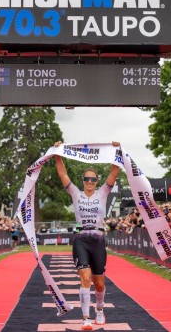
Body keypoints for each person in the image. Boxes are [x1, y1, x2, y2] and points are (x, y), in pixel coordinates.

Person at [53, 140, 120, 331]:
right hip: (81, 239)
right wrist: (58, 153)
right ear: (82, 181)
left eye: (93, 179)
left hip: (98, 240)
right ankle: (85, 318)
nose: (89, 182)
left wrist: (117, 150)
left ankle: (99, 309)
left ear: (97, 181)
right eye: (86, 179)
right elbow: (62, 173)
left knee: (99, 283)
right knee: (85, 278)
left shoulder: (103, 192)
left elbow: (114, 172)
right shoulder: (75, 193)